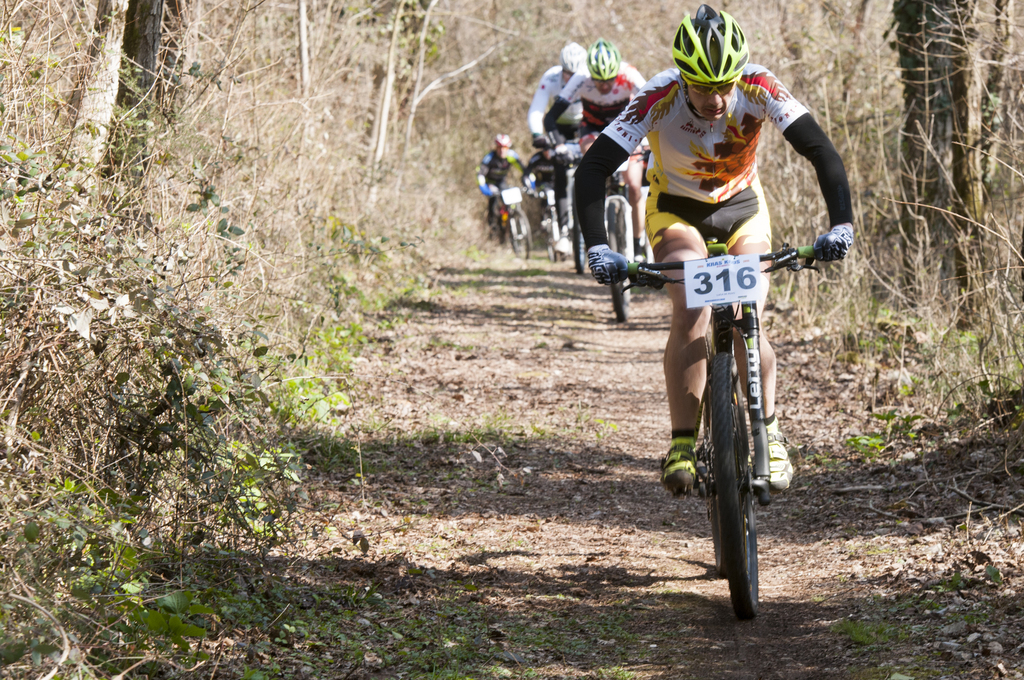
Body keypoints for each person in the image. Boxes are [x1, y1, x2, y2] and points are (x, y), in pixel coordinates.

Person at [578, 5, 854, 496]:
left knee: (749, 314)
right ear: (683, 78)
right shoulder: (658, 96)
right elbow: (595, 166)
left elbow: (820, 150)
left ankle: (770, 432)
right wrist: (598, 245)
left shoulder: (759, 86)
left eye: (725, 85)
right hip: (676, 210)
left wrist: (842, 224)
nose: (717, 99)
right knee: (691, 307)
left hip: (742, 207)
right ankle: (683, 441)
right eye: (703, 87)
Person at [544, 39, 647, 259]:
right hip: (592, 128)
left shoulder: (629, 74)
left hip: (625, 127)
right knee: (591, 163)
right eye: (598, 80)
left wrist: (651, 142)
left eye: (609, 79)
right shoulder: (581, 76)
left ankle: (638, 247)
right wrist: (559, 145)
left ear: (617, 72)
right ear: (589, 73)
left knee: (635, 186)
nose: (604, 86)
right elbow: (550, 117)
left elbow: (655, 107)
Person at [528, 43, 588, 252]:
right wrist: (538, 134)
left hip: (585, 125)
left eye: (575, 74)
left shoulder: (589, 77)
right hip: (559, 127)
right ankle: (564, 232)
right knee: (560, 172)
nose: (570, 79)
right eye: (567, 73)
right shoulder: (551, 77)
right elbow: (537, 109)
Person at [476, 134, 529, 235]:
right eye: (500, 147)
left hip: (502, 182)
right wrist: (483, 186)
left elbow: (524, 169)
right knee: (493, 204)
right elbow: (480, 173)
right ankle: (493, 229)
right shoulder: (489, 157)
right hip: (491, 183)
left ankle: (509, 222)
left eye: (505, 148)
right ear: (496, 147)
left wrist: (529, 180)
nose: (502, 150)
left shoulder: (511, 155)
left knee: (511, 203)